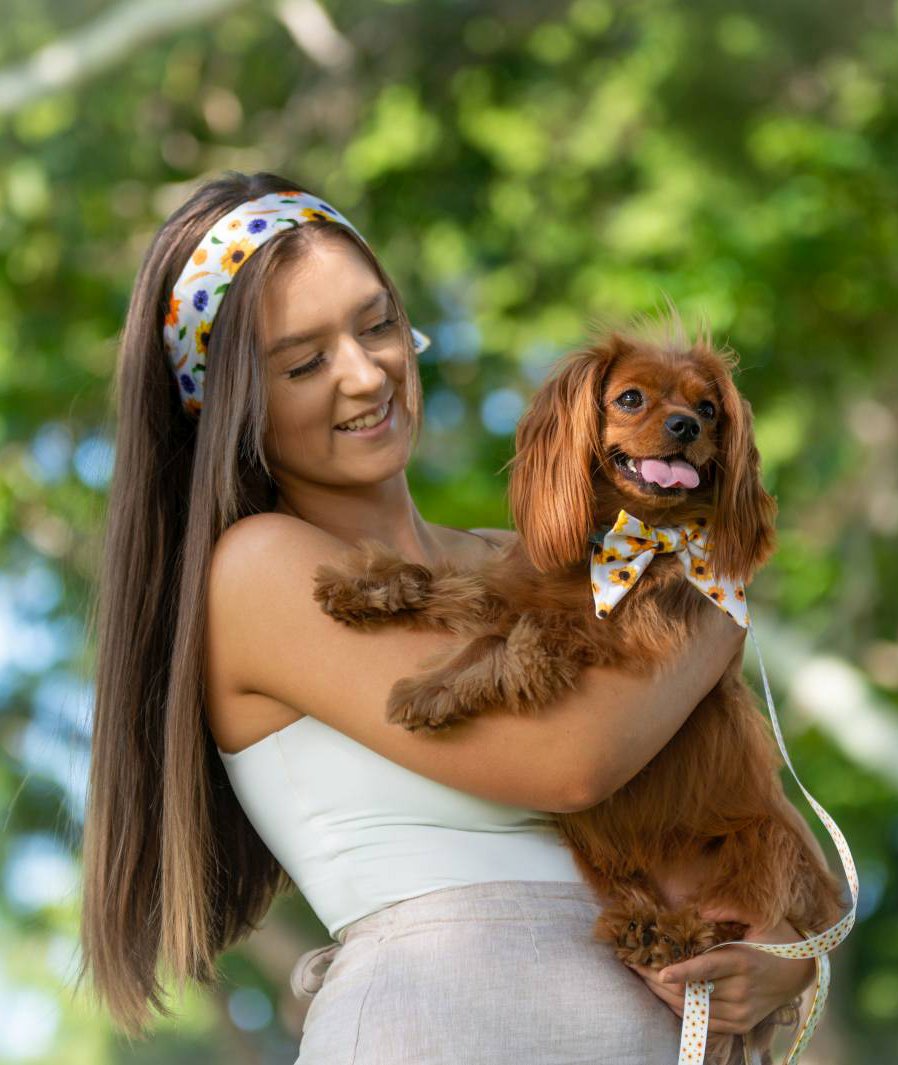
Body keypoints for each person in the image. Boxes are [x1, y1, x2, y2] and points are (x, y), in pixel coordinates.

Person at [79, 170, 821, 1062]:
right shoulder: (256, 569)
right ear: (233, 403)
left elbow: (729, 806)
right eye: (304, 362)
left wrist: (785, 951)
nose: (365, 373)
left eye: (378, 323)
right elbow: (570, 758)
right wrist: (718, 598)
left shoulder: (523, 562)